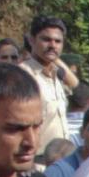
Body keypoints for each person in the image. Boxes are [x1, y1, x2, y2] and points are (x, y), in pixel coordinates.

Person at [20, 15, 78, 159]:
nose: (53, 45)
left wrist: (54, 57)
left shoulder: (55, 74)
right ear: (32, 40)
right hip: (36, 162)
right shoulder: (23, 75)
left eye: (58, 41)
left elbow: (75, 83)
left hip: (62, 160)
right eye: (46, 40)